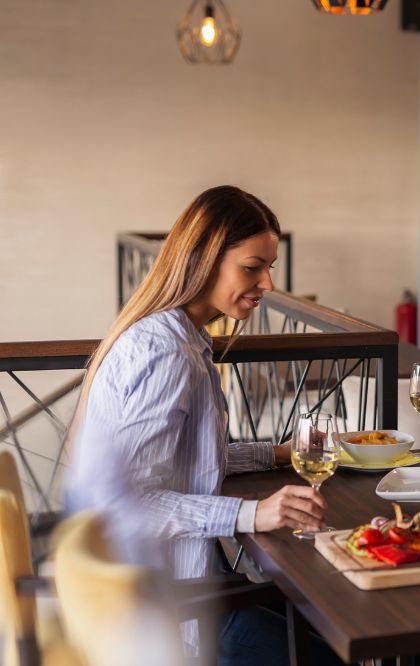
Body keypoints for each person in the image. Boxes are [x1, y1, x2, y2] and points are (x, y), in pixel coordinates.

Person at [64, 186, 337, 664]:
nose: (268, 284)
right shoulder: (166, 353)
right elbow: (126, 503)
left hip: (180, 586)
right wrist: (254, 514)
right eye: (252, 267)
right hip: (166, 612)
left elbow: (184, 460)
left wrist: (276, 452)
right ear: (203, 259)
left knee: (321, 622)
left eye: (270, 267)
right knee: (334, 640)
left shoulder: (175, 335)